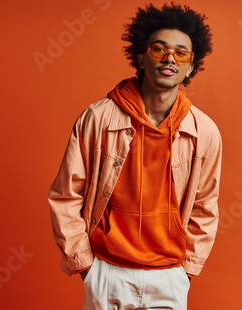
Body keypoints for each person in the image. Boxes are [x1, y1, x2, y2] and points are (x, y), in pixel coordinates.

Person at [47, 3, 222, 309]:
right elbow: (65, 195)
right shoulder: (98, 119)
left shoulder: (203, 132)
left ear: (191, 66)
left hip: (169, 275)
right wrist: (87, 267)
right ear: (141, 57)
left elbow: (205, 208)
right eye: (159, 48)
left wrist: (186, 273)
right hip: (107, 271)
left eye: (181, 53)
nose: (170, 58)